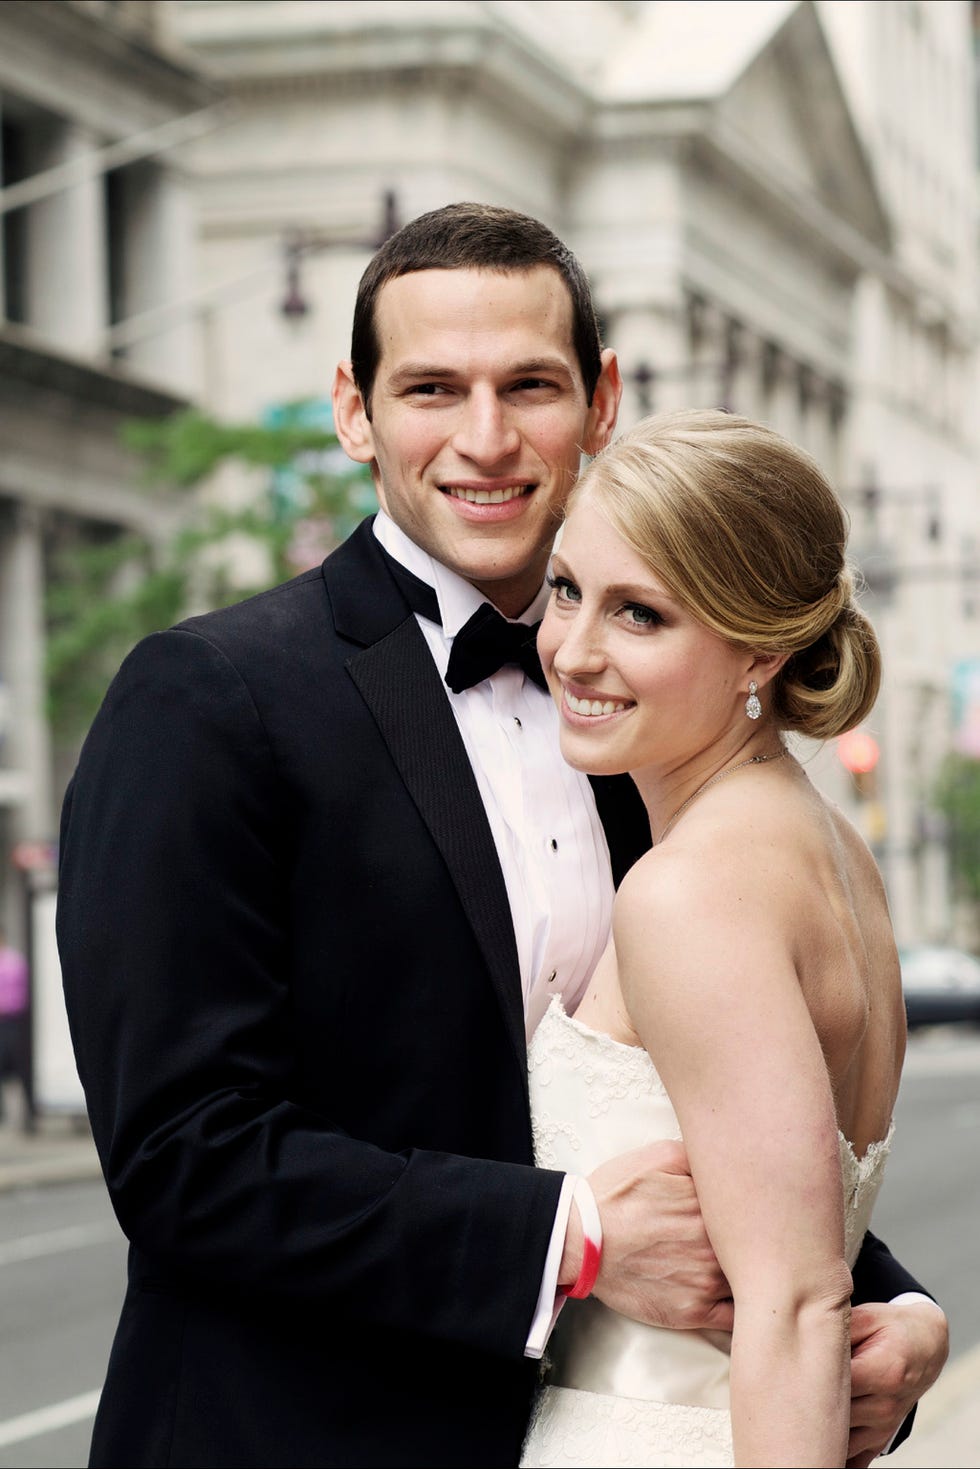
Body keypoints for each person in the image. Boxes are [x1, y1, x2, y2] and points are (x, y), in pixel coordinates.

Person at [57, 203, 945, 1469]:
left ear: (599, 401)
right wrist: (567, 1234)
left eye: (528, 384)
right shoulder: (205, 698)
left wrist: (893, 1315)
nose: (484, 438)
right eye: (430, 387)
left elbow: (719, 1109)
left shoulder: (647, 726)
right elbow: (180, 1152)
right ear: (353, 411)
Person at [521, 409, 932, 1468]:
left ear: (759, 646)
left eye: (639, 614)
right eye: (566, 588)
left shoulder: (688, 892)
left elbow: (795, 1301)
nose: (573, 648)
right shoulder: (828, 846)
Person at [0, 924, 30, 1127]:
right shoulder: (15, 961)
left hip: (14, 1020)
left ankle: (28, 1113)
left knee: (20, 1066)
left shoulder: (14, 961)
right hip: (7, 1021)